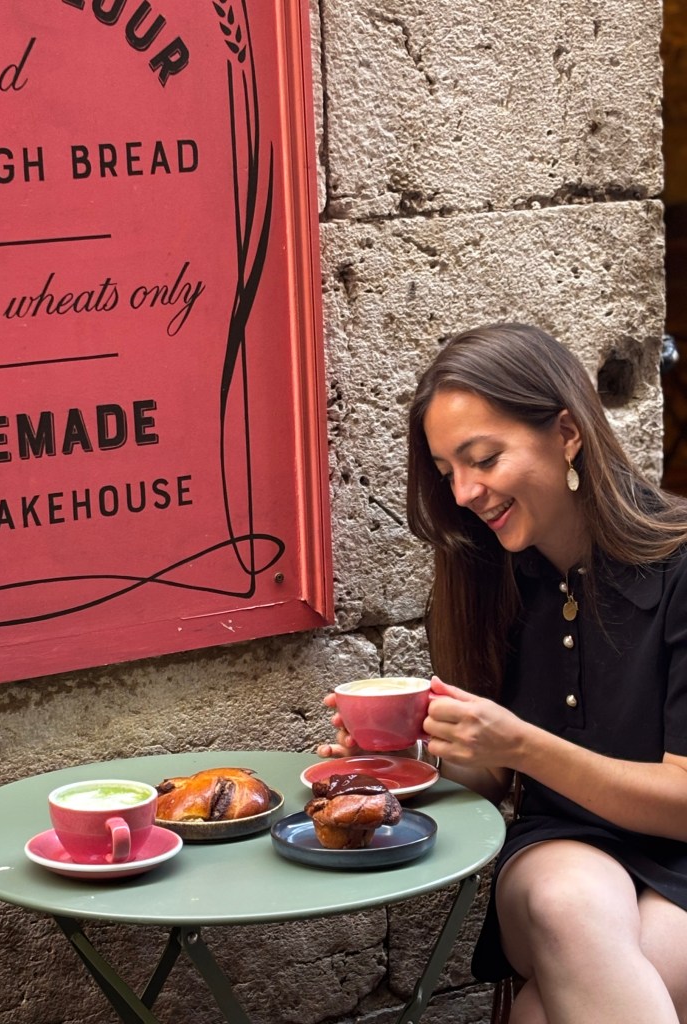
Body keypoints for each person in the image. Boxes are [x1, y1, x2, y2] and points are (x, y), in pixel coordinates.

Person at [317, 323, 687, 1024]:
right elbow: (488, 778)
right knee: (568, 904)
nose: (462, 493)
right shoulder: (487, 580)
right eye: (447, 470)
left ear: (568, 434)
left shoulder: (680, 567)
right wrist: (399, 757)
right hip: (559, 855)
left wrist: (518, 744)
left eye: (482, 459)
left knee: (548, 1011)